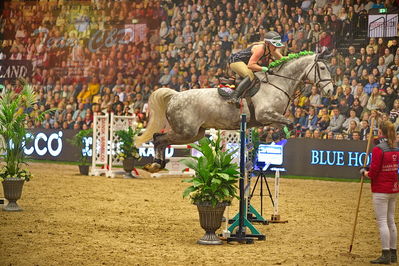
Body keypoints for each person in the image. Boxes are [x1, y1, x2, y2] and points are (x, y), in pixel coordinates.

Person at [362, 121, 399, 264]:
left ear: (381, 132)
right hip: (393, 188)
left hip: (381, 189)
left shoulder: (379, 149)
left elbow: (374, 172)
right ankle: (393, 253)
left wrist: (364, 172)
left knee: (382, 221)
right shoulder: (395, 148)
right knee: (391, 221)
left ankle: (385, 254)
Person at [228, 31, 284, 104]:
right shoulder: (260, 49)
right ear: (267, 43)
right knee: (249, 76)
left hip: (245, 62)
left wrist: (295, 57)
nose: (276, 47)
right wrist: (264, 69)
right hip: (236, 61)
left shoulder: (271, 49)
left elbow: (282, 59)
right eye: (274, 45)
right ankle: (234, 97)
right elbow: (251, 65)